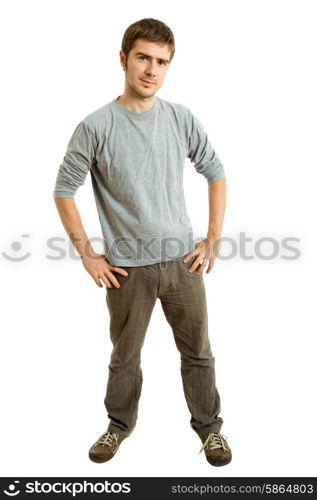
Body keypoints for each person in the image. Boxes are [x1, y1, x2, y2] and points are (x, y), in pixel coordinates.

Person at [53, 17, 231, 467]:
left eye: (162, 62)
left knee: (198, 354)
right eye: (144, 58)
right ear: (123, 59)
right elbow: (63, 190)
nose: (152, 70)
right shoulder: (96, 126)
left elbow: (215, 172)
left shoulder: (180, 118)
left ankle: (210, 431)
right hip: (126, 270)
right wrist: (88, 255)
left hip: (182, 266)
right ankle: (117, 427)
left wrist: (212, 238)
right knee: (124, 358)